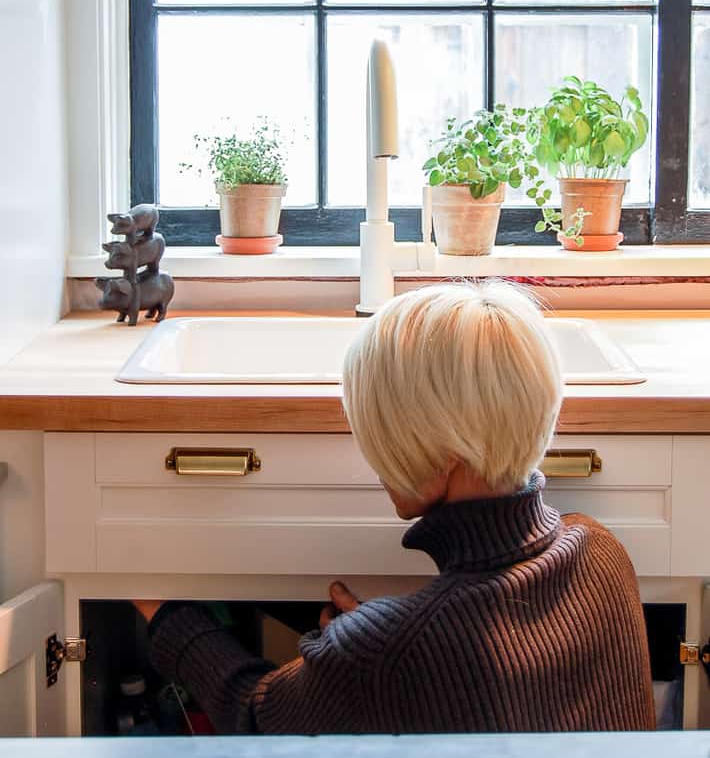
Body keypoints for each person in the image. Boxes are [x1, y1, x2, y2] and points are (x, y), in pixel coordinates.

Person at [135, 282, 655, 734]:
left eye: (378, 433)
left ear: (443, 452)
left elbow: (253, 713)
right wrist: (381, 648)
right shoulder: (603, 552)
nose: (372, 455)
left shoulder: (390, 650)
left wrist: (162, 612)